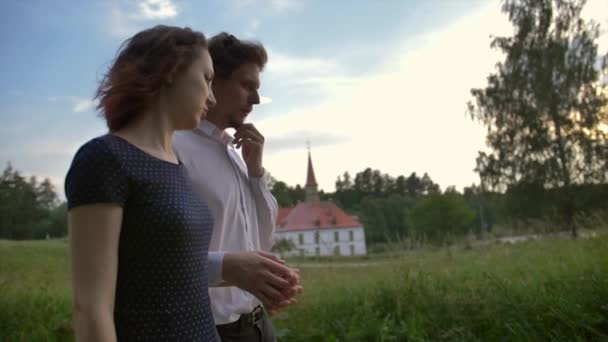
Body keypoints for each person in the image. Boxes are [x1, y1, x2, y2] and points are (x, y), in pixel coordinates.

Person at [65, 25, 221, 341]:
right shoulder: (105, 159)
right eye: (206, 79)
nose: (213, 97)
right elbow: (91, 309)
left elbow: (172, 272)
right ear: (170, 70)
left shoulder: (177, 165)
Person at [173, 32, 300, 342]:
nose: (256, 100)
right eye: (247, 86)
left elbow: (263, 236)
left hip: (258, 325)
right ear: (213, 81)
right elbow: (155, 260)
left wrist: (256, 174)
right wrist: (229, 268)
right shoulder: (174, 146)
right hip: (208, 331)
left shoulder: (237, 153)